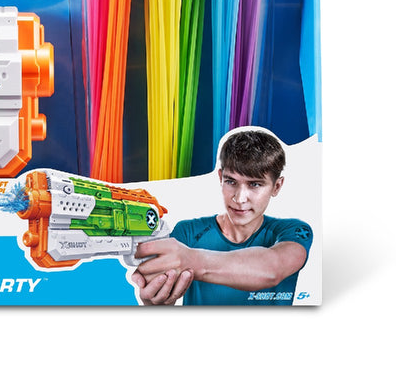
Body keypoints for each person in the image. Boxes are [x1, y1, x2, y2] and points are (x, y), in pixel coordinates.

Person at [131, 128, 312, 305]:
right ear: (220, 177)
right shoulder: (187, 232)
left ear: (277, 186)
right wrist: (154, 300)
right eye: (231, 181)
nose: (239, 199)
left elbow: (272, 269)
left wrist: (190, 259)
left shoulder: (294, 231)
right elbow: (159, 296)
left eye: (255, 184)